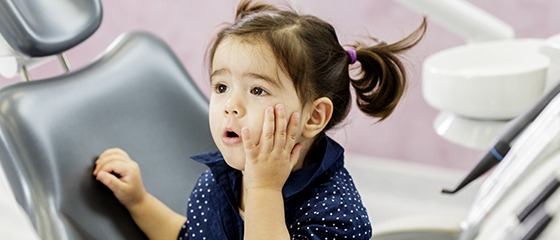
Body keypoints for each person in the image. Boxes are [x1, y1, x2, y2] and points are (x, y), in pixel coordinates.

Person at [93, 0, 427, 239]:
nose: (231, 105)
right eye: (222, 86)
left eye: (257, 90)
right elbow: (190, 235)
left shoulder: (335, 215)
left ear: (313, 117)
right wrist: (138, 201)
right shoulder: (218, 183)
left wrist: (264, 189)